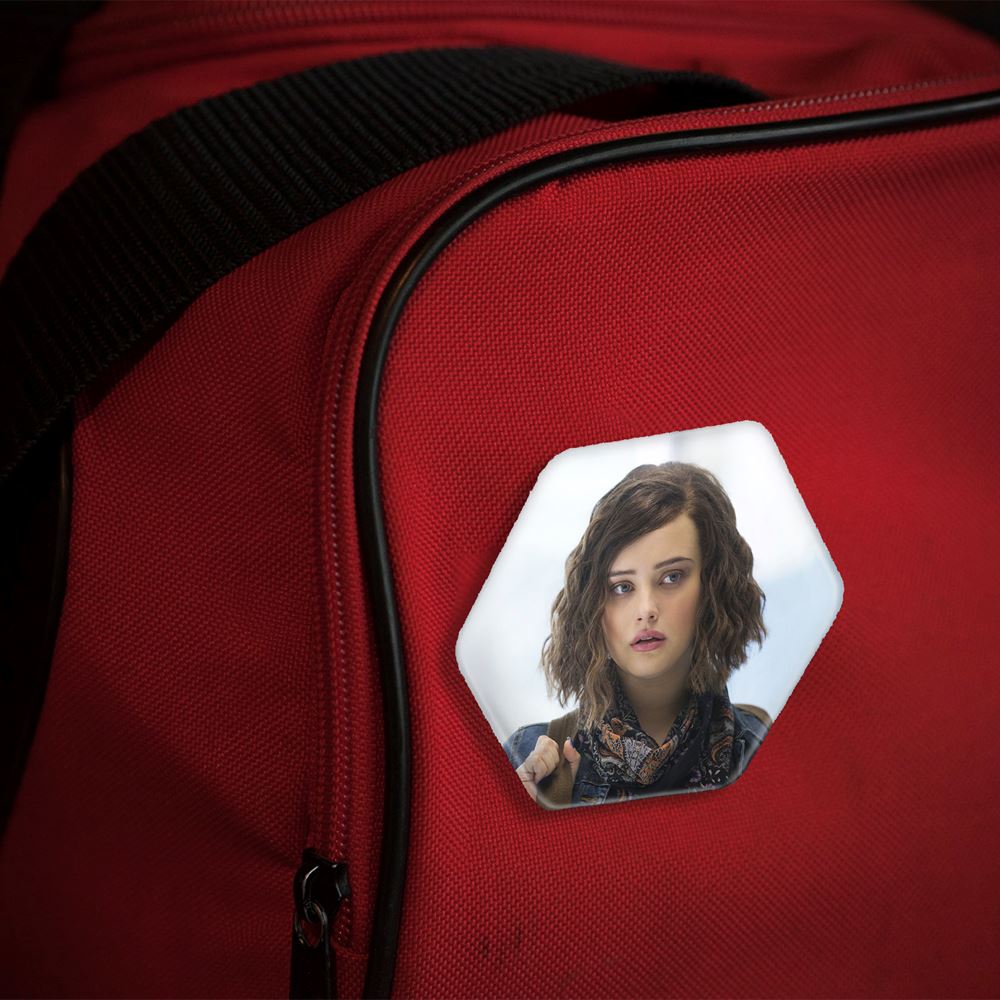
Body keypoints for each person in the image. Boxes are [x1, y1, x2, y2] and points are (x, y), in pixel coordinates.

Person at [502, 461, 770, 808]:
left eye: (672, 577)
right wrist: (521, 818)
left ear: (712, 587)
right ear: (592, 606)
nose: (646, 609)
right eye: (622, 586)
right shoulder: (527, 759)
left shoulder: (764, 748)